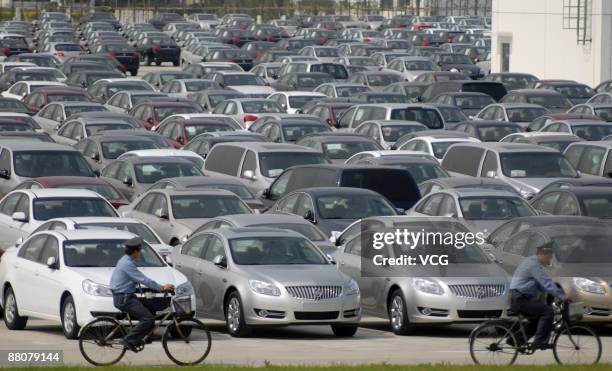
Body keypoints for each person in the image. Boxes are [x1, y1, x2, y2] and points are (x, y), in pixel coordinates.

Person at [110, 236, 175, 352]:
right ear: (135, 251)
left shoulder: (126, 260)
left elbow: (138, 280)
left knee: (151, 308)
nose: (140, 253)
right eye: (139, 250)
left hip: (126, 296)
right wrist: (162, 287)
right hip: (124, 298)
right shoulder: (127, 264)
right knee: (147, 318)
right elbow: (143, 279)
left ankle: (146, 336)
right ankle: (128, 339)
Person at [509, 241, 569, 349]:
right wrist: (563, 296)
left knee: (536, 320)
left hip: (518, 297)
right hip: (521, 298)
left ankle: (515, 340)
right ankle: (540, 342)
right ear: (541, 254)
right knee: (547, 312)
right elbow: (546, 282)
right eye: (548, 258)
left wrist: (556, 292)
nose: (549, 261)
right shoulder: (534, 265)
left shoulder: (531, 262)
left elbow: (542, 285)